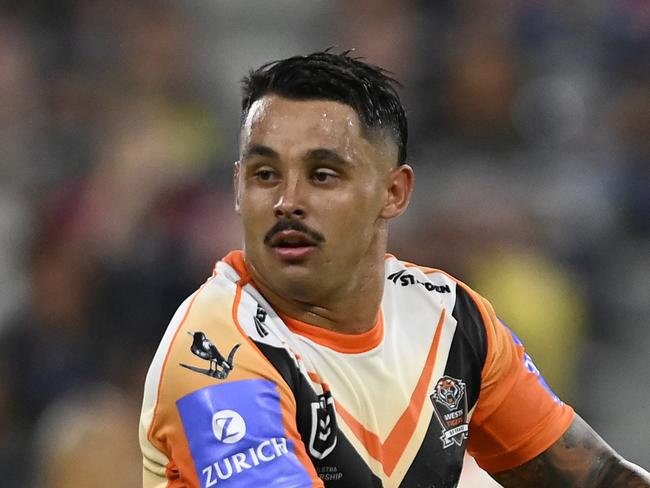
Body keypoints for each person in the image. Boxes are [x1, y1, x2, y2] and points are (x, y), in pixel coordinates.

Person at [139, 51, 650, 488]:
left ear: (394, 192)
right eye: (264, 174)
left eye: (322, 174)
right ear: (236, 187)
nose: (287, 202)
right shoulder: (214, 352)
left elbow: (596, 476)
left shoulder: (451, 321)